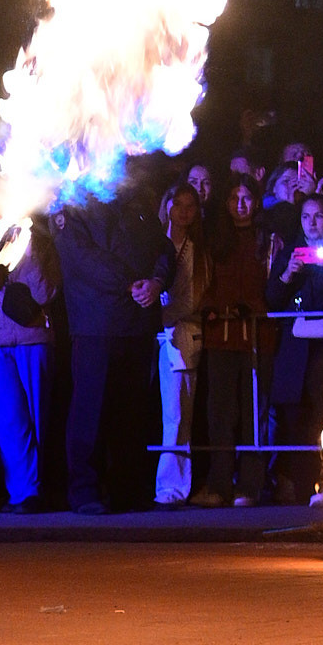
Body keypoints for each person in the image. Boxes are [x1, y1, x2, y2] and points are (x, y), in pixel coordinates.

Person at [55, 186, 162, 513]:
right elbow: (81, 258)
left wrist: (157, 281)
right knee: (91, 410)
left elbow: (164, 248)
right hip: (95, 327)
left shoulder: (136, 201)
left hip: (137, 325)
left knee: (132, 412)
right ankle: (85, 491)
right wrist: (130, 282)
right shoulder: (69, 203)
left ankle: (128, 489)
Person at [265, 192, 323, 501]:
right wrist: (288, 274)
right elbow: (271, 299)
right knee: (295, 420)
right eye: (306, 217)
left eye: (318, 216)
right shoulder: (291, 253)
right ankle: (302, 487)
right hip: (295, 351)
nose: (312, 223)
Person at [0, 216, 57, 512]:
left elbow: (45, 294)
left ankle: (40, 489)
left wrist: (28, 254)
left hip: (32, 336)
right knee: (8, 420)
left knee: (37, 416)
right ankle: (22, 492)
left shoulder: (42, 247)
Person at [199, 175, 269, 504]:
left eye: (246, 198)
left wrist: (254, 308)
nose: (240, 204)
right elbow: (203, 285)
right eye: (233, 198)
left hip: (256, 335)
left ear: (256, 201)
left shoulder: (267, 239)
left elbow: (272, 286)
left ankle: (250, 485)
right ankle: (219, 484)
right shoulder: (214, 240)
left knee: (253, 412)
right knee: (220, 413)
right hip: (221, 336)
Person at [153, 181, 207, 505]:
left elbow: (195, 296)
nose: (184, 211)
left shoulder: (197, 248)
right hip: (155, 332)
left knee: (177, 414)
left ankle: (171, 487)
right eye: (178, 204)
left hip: (183, 332)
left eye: (190, 206)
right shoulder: (154, 243)